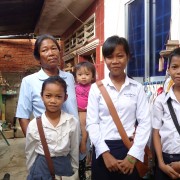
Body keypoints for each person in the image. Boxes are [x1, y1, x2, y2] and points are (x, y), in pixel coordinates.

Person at [86, 35, 151, 180]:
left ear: (127, 57)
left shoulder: (137, 88)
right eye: (109, 57)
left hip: (129, 148)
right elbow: (92, 123)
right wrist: (105, 154)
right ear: (105, 59)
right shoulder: (96, 89)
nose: (115, 61)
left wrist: (132, 156)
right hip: (103, 150)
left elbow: (145, 123)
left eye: (120, 56)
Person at [16, 34, 78, 136]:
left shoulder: (69, 78)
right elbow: (23, 116)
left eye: (54, 48)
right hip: (47, 143)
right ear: (38, 57)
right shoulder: (29, 81)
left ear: (59, 52)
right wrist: (34, 143)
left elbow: (74, 109)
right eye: (44, 50)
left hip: (75, 139)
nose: (51, 53)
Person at [26, 76, 80, 179]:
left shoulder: (72, 122)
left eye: (58, 96)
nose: (53, 101)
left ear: (65, 97)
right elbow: (30, 152)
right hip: (40, 168)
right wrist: (31, 172)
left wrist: (74, 171)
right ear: (42, 96)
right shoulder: (34, 125)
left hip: (64, 167)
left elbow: (74, 149)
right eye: (48, 96)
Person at [152, 47, 180, 180]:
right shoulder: (160, 100)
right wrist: (161, 164)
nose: (179, 71)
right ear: (168, 69)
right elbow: (156, 133)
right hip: (165, 159)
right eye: (175, 67)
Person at [74, 61, 96, 180]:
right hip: (78, 113)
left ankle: (87, 153)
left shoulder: (94, 88)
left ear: (92, 76)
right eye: (80, 74)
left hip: (88, 113)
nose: (83, 77)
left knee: (87, 138)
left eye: (87, 74)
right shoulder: (73, 88)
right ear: (76, 77)